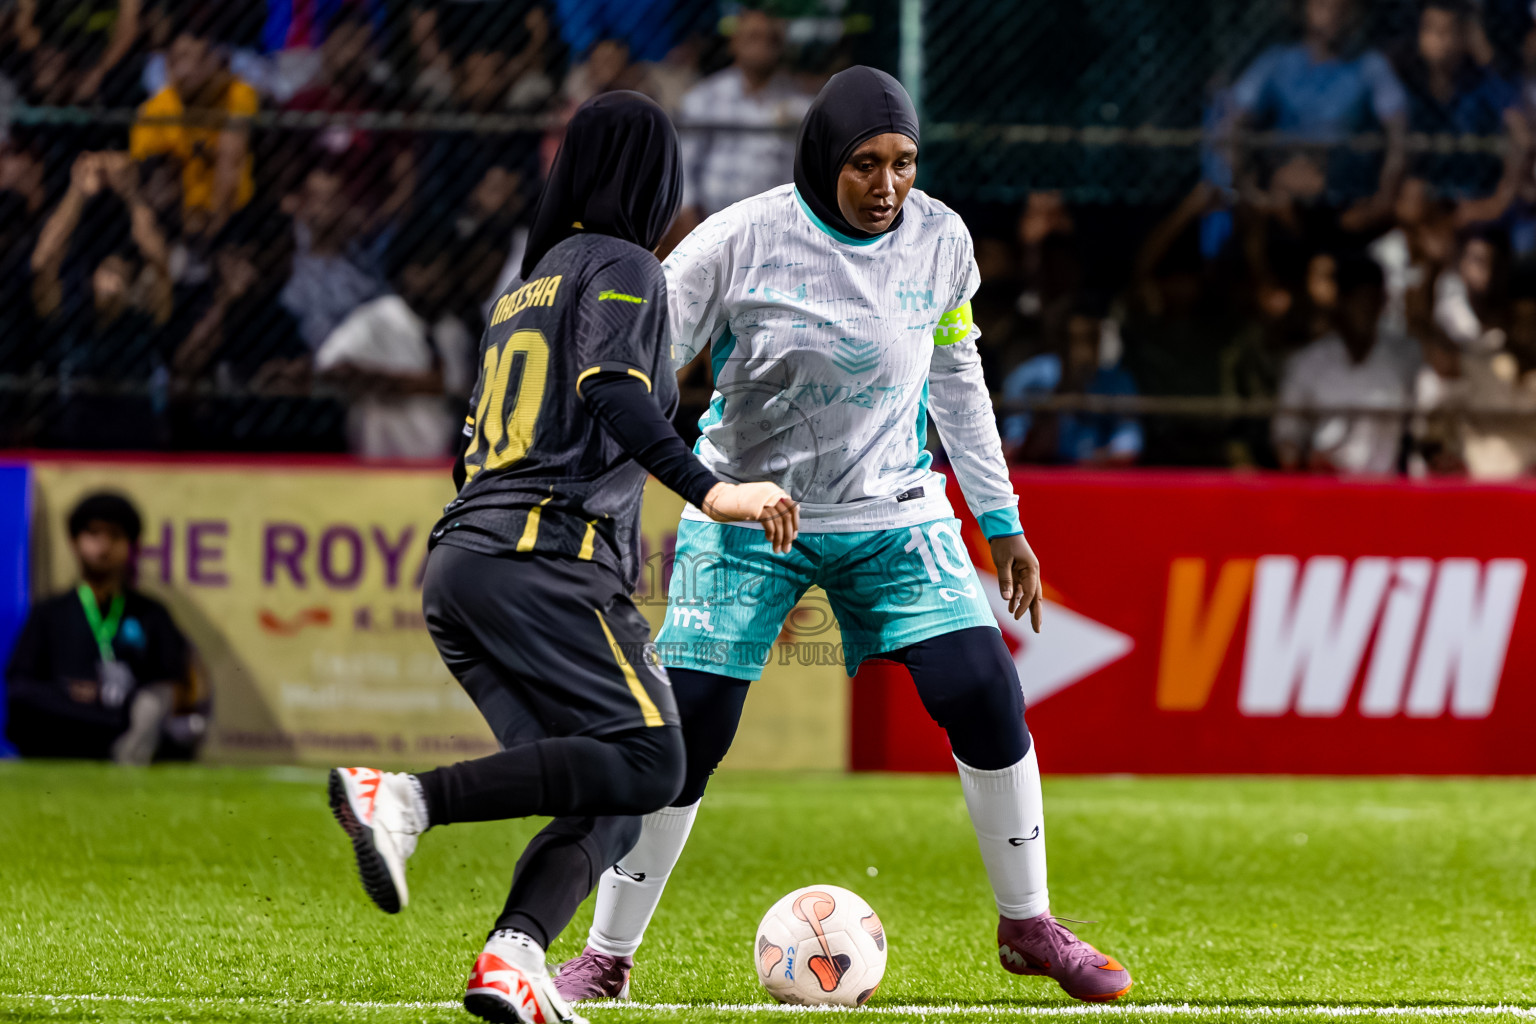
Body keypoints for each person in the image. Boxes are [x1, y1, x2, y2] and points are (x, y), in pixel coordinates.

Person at [555, 67, 1133, 1006]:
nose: (888, 185)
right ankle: (609, 955)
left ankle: (1028, 924)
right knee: (688, 731)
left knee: (985, 691)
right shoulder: (738, 240)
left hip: (894, 514)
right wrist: (602, 481)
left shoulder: (942, 239)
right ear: (825, 159)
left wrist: (1001, 522)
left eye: (904, 163)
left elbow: (957, 380)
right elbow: (635, 366)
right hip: (748, 514)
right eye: (866, 164)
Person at [324, 92, 797, 1024]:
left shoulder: (524, 287)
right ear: (652, 177)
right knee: (659, 760)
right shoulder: (623, 266)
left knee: (609, 782)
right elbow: (614, 391)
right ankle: (404, 801)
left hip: (464, 562)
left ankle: (514, 958)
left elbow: (486, 439)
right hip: (546, 556)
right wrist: (712, 490)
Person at [5, 492, 189, 764]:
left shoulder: (151, 614)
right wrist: (73, 693)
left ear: (131, 546)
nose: (103, 546)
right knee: (26, 704)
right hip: (63, 726)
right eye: (93, 534)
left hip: (126, 723)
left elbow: (171, 684)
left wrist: (119, 701)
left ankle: (126, 748)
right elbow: (19, 684)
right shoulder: (49, 612)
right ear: (74, 542)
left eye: (114, 535)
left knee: (152, 706)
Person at [669, 10, 811, 241]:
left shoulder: (801, 106)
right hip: (709, 226)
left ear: (782, 47)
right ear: (734, 44)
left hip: (779, 230)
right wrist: (693, 228)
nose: (763, 45)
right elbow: (682, 169)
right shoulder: (704, 98)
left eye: (771, 39)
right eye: (753, 37)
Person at [1274, 253, 1420, 474]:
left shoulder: (1406, 357)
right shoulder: (1308, 362)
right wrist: (1301, 458)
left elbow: (1424, 430)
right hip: (1326, 487)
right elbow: (1286, 437)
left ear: (1383, 302)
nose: (1364, 310)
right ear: (1339, 301)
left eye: (1371, 299)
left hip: (1387, 489)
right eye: (1356, 299)